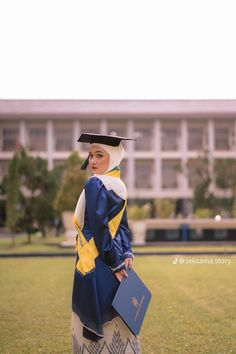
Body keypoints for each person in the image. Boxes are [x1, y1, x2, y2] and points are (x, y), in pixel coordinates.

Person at [71, 133, 141, 353]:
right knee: (121, 312)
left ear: (112, 157)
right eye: (90, 155)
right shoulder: (120, 186)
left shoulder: (95, 184)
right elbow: (122, 227)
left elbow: (101, 230)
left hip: (96, 261)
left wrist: (114, 263)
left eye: (99, 155)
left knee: (100, 314)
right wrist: (126, 254)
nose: (92, 161)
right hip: (116, 259)